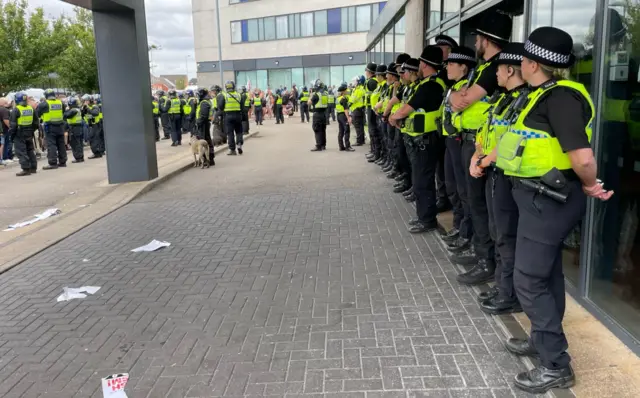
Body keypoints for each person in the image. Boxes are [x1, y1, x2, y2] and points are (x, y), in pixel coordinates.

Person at [492, 26, 612, 394]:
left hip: (551, 199)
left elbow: (582, 156)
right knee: (547, 276)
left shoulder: (560, 99)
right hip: (536, 197)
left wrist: (590, 183)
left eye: (523, 59)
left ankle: (555, 364)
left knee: (528, 279)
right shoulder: (538, 95)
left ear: (531, 63)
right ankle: (542, 339)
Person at [448, 11, 511, 282]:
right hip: (476, 141)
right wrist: (455, 95)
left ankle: (488, 263)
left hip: (485, 144)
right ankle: (481, 253)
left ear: (486, 39)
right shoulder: (483, 68)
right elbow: (457, 98)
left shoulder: (495, 66)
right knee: (475, 202)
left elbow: (463, 101)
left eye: (477, 38)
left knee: (483, 206)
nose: (474, 42)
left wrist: (455, 96)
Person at [468, 42, 528, 310]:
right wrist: (477, 155)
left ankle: (509, 295)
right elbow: (487, 131)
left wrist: (484, 160)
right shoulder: (503, 99)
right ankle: (502, 288)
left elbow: (510, 140)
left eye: (499, 69)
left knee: (506, 235)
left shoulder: (523, 99)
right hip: (493, 172)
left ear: (511, 70)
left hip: (506, 175)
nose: (495, 74)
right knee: (497, 231)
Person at [390, 50, 446, 233]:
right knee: (422, 179)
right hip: (422, 139)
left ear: (424, 64)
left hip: (426, 141)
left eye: (420, 63)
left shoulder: (430, 85)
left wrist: (394, 117)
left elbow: (408, 107)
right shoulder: (426, 84)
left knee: (423, 181)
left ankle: (427, 219)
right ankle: (424, 216)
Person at [37, 89, 67, 169]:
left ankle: (53, 163)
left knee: (51, 144)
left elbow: (38, 114)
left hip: (50, 127)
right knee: (61, 144)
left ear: (46, 96)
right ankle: (63, 162)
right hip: (60, 126)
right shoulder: (61, 103)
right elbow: (63, 112)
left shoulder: (44, 104)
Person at [10, 92, 38, 176]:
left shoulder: (16, 109)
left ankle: (26, 169)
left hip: (19, 133)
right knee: (30, 150)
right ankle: (33, 167)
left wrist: (12, 135)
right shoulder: (31, 108)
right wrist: (31, 130)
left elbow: (13, 125)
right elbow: (36, 122)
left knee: (21, 151)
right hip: (29, 131)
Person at [217, 80, 244, 155]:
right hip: (238, 115)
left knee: (230, 133)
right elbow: (242, 107)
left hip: (228, 116)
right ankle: (239, 144)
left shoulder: (224, 95)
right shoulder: (239, 95)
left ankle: (232, 150)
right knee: (239, 131)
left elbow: (220, 107)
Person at [195, 87, 215, 166]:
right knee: (207, 140)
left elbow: (203, 115)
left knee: (203, 142)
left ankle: (207, 159)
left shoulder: (204, 103)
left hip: (203, 124)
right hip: (206, 123)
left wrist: (198, 123)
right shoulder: (206, 101)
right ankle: (210, 158)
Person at [309, 79, 328, 152]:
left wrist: (311, 95)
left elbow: (309, 103)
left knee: (317, 129)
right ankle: (323, 145)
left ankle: (318, 145)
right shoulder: (325, 93)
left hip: (317, 114)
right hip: (323, 113)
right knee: (323, 129)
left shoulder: (316, 95)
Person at [64, 96, 85, 163]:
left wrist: (66, 110)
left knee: (75, 143)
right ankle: (80, 157)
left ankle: (78, 157)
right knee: (79, 143)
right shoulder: (77, 109)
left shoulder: (73, 110)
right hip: (77, 127)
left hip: (74, 128)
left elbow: (66, 115)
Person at [335, 83, 354, 152]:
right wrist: (348, 118)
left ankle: (341, 146)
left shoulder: (337, 98)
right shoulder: (343, 99)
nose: (347, 91)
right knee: (347, 131)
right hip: (343, 116)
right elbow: (345, 109)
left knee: (341, 131)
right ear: (343, 91)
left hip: (338, 115)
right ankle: (347, 146)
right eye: (345, 90)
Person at [349, 75, 366, 146]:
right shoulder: (360, 89)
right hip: (359, 109)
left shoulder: (358, 90)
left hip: (357, 110)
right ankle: (361, 140)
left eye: (355, 81)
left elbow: (352, 99)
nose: (354, 82)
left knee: (358, 126)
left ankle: (359, 141)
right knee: (360, 125)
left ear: (359, 82)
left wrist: (348, 102)